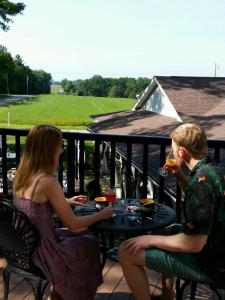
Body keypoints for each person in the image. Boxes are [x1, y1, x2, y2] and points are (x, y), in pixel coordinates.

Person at [118, 123, 225, 300]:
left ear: (182, 152)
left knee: (125, 251)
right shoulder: (214, 170)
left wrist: (149, 239)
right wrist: (179, 176)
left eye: (173, 149)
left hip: (211, 263)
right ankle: (167, 295)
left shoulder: (200, 181)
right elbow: (200, 200)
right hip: (217, 246)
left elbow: (195, 243)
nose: (172, 153)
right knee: (162, 231)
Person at [13, 124, 114, 300]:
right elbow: (73, 225)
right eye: (59, 145)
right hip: (43, 251)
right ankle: (72, 294)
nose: (61, 150)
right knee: (88, 243)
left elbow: (33, 210)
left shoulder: (23, 176)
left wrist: (65, 202)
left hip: (23, 246)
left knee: (83, 240)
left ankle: (58, 293)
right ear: (49, 149)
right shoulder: (48, 182)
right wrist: (101, 215)